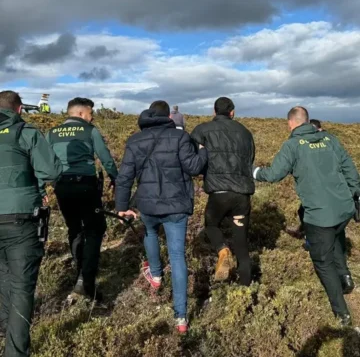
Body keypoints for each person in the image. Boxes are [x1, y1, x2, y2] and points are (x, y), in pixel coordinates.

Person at [253, 106, 359, 326]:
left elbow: (273, 174)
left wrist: (253, 172)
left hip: (320, 216)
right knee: (336, 238)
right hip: (344, 208)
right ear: (307, 121)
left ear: (291, 123)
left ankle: (342, 313)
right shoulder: (329, 139)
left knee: (322, 260)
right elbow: (350, 169)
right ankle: (347, 278)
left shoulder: (292, 145)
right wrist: (355, 194)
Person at [115, 100, 207, 333]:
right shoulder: (180, 137)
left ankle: (155, 275)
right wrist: (204, 151)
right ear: (168, 116)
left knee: (150, 233)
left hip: (147, 205)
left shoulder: (135, 140)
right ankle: (181, 318)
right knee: (177, 257)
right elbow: (194, 167)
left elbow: (124, 177)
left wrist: (121, 206)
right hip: (177, 206)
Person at [0, 90, 62, 357]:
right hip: (20, 219)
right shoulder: (26, 132)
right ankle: (14, 352)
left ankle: (6, 329)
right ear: (20, 110)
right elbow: (51, 171)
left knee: (3, 280)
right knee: (22, 287)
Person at [46, 97, 118, 300]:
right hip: (85, 185)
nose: (92, 116)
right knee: (95, 229)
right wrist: (116, 179)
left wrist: (52, 184)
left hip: (62, 187)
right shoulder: (89, 130)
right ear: (80, 113)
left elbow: (43, 161)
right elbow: (105, 158)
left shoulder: (51, 133)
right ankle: (86, 280)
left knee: (75, 229)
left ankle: (79, 273)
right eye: (90, 113)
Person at [191, 97, 255, 285]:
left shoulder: (202, 130)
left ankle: (222, 250)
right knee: (242, 246)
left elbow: (194, 158)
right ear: (232, 112)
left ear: (214, 111)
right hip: (242, 194)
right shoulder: (246, 133)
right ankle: (245, 289)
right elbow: (250, 159)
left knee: (211, 225)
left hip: (218, 192)